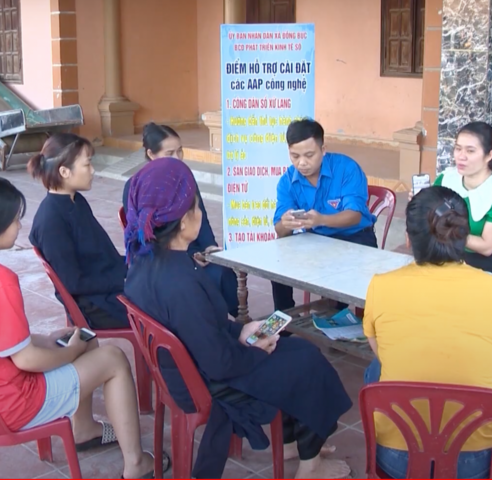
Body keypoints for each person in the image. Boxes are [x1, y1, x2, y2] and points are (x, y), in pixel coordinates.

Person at [0, 175, 167, 478]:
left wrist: (47, 341)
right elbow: (27, 360)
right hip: (12, 402)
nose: (19, 226)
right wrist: (66, 353)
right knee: (113, 359)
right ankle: (136, 465)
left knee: (83, 339)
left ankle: (84, 429)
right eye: (15, 219)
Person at [123, 157, 354, 479]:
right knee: (308, 362)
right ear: (185, 220)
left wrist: (241, 330)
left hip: (189, 366)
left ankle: (291, 442)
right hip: (207, 379)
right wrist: (252, 348)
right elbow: (219, 361)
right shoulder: (180, 283)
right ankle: (310, 465)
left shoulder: (144, 261)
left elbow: (198, 329)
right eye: (197, 206)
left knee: (293, 350)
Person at [362, 185, 492, 479]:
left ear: (408, 239)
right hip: (475, 459)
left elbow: (380, 350)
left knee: (376, 370)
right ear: (464, 236)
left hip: (399, 457)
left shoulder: (380, 285)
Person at [122, 123, 240, 318]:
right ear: (151, 154)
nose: (177, 158)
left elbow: (200, 216)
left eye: (180, 151)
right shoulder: (138, 185)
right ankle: (213, 323)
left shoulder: (184, 178)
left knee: (223, 270)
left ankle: (234, 318)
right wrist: (186, 257)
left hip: (193, 249)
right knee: (198, 281)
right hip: (164, 255)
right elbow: (145, 233)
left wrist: (209, 247)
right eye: (170, 153)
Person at [272, 118, 377, 311]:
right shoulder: (287, 181)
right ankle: (285, 318)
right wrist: (286, 224)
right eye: (295, 156)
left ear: (323, 149)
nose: (302, 163)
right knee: (278, 262)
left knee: (338, 279)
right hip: (314, 239)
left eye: (309, 155)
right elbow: (279, 229)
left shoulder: (346, 168)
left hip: (354, 237)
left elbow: (354, 215)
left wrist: (321, 219)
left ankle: (337, 320)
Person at [29, 133, 129, 329]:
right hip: (97, 304)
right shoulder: (52, 221)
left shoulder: (75, 201)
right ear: (65, 172)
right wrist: (124, 279)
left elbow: (100, 254)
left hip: (109, 285)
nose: (92, 171)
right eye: (87, 165)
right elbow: (73, 283)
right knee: (172, 304)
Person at [433, 122, 492, 275]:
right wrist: (418, 206)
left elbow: (487, 247)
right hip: (444, 256)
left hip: (482, 265)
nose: (461, 156)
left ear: (489, 155)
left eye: (470, 151)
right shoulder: (445, 180)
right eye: (458, 149)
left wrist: (448, 234)